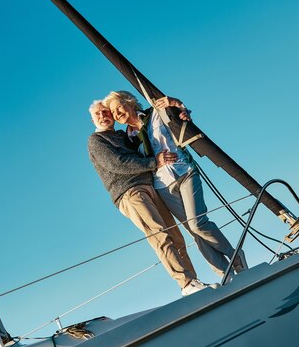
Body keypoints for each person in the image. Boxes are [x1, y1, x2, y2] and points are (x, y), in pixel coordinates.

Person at [103, 91, 248, 280]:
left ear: (129, 102)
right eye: (113, 112)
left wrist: (179, 105)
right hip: (162, 186)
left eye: (118, 107)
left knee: (198, 223)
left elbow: (180, 115)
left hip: (184, 171)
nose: (116, 114)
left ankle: (237, 258)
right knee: (192, 231)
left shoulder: (155, 113)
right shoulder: (128, 140)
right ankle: (225, 274)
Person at [87, 100, 213, 296]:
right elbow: (117, 164)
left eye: (106, 112)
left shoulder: (122, 135)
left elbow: (145, 123)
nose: (103, 116)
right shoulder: (96, 141)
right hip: (129, 192)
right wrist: (156, 161)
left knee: (175, 236)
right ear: (93, 119)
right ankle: (185, 283)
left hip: (151, 185)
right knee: (158, 234)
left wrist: (178, 108)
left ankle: (193, 282)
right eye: (98, 114)